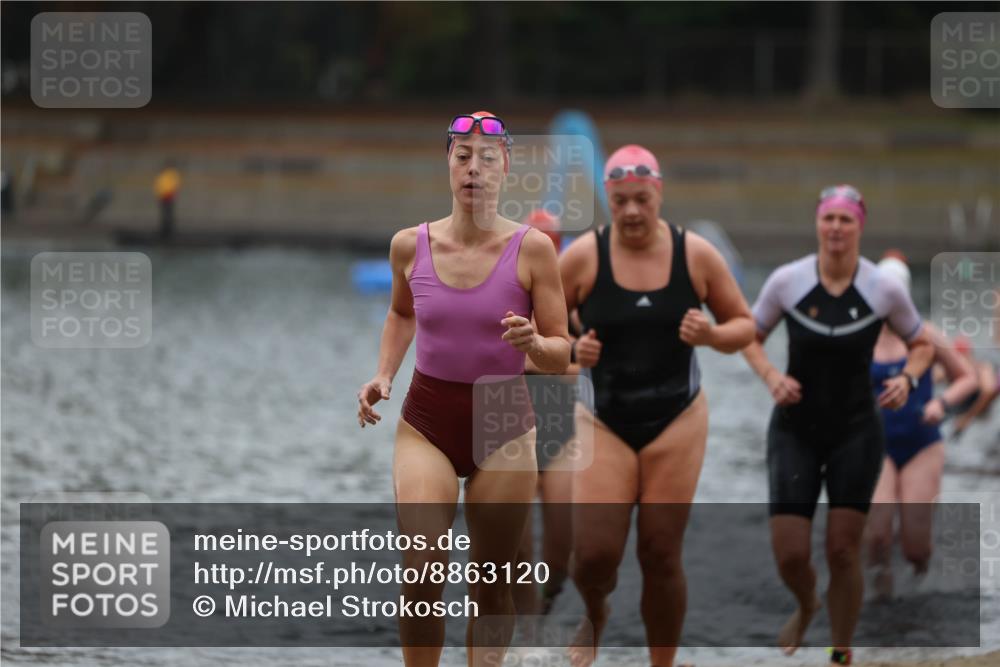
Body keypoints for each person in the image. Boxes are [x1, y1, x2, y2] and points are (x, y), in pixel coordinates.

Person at [356, 112, 571, 667]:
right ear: (448, 164)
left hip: (504, 421)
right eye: (463, 157)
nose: (474, 169)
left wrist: (533, 342)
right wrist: (384, 373)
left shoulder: (533, 249)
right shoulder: (409, 245)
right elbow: (402, 313)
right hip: (427, 419)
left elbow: (562, 351)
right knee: (422, 570)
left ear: (506, 167)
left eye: (487, 158)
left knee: (491, 585)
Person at [558, 145, 755, 667]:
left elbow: (744, 325)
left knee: (660, 553)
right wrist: (573, 349)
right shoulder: (583, 257)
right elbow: (532, 328)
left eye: (641, 200)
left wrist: (711, 336)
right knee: (593, 557)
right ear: (608, 199)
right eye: (620, 201)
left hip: (677, 419)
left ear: (659, 194)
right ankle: (595, 613)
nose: (631, 212)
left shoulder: (696, 255)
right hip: (603, 419)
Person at [741, 185, 935, 665]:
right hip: (794, 430)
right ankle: (808, 602)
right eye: (828, 218)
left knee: (844, 551)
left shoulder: (883, 288)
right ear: (817, 223)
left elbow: (924, 344)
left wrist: (908, 379)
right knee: (790, 553)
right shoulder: (787, 281)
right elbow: (749, 336)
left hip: (856, 430)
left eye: (846, 219)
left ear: (859, 226)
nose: (835, 228)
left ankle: (840, 652)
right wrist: (771, 376)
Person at [865, 252, 978, 599]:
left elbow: (968, 378)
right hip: (876, 445)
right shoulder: (862, 337)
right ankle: (880, 595)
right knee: (878, 535)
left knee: (916, 546)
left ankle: (920, 589)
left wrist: (941, 404)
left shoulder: (926, 334)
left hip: (922, 443)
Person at [513, 209, 576, 620]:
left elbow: (589, 366)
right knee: (517, 544)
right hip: (509, 423)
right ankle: (526, 622)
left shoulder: (572, 298)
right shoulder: (505, 295)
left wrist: (538, 359)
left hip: (560, 425)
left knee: (561, 539)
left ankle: (548, 603)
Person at [154, 161, 181, 240]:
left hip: (168, 196)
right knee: (166, 214)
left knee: (168, 214)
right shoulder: (165, 174)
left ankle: (168, 231)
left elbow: (173, 186)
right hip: (163, 197)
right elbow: (160, 186)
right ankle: (165, 231)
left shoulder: (171, 174)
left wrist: (168, 193)